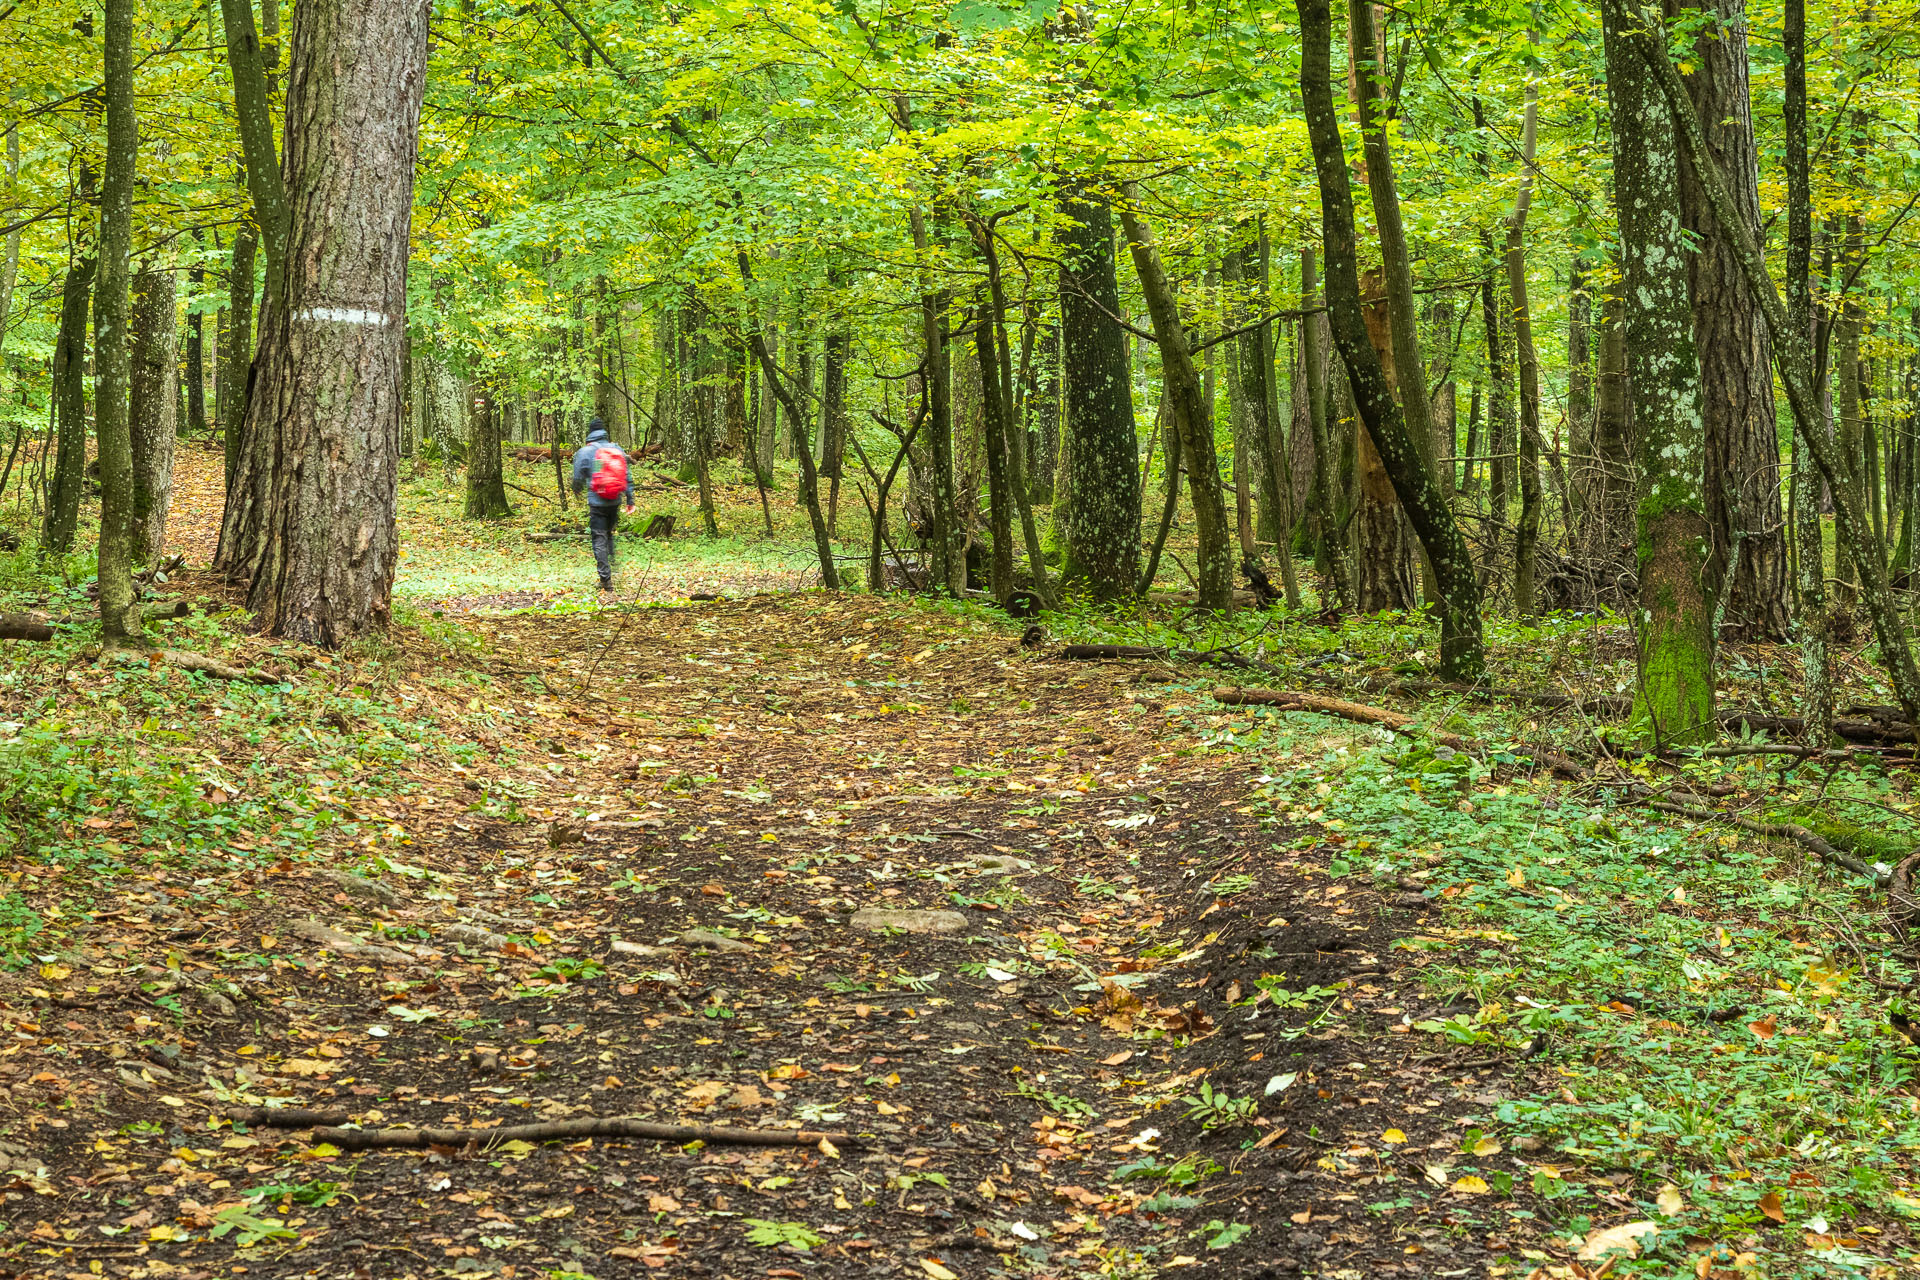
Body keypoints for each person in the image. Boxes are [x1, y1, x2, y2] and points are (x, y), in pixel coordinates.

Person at [570, 419, 634, 591]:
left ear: (590, 433)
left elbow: (578, 476)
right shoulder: (616, 449)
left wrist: (576, 489)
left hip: (597, 502)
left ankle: (606, 580)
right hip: (615, 500)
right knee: (609, 534)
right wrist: (630, 499)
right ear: (604, 432)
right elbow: (626, 475)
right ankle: (613, 567)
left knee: (599, 538)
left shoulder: (586, 451)